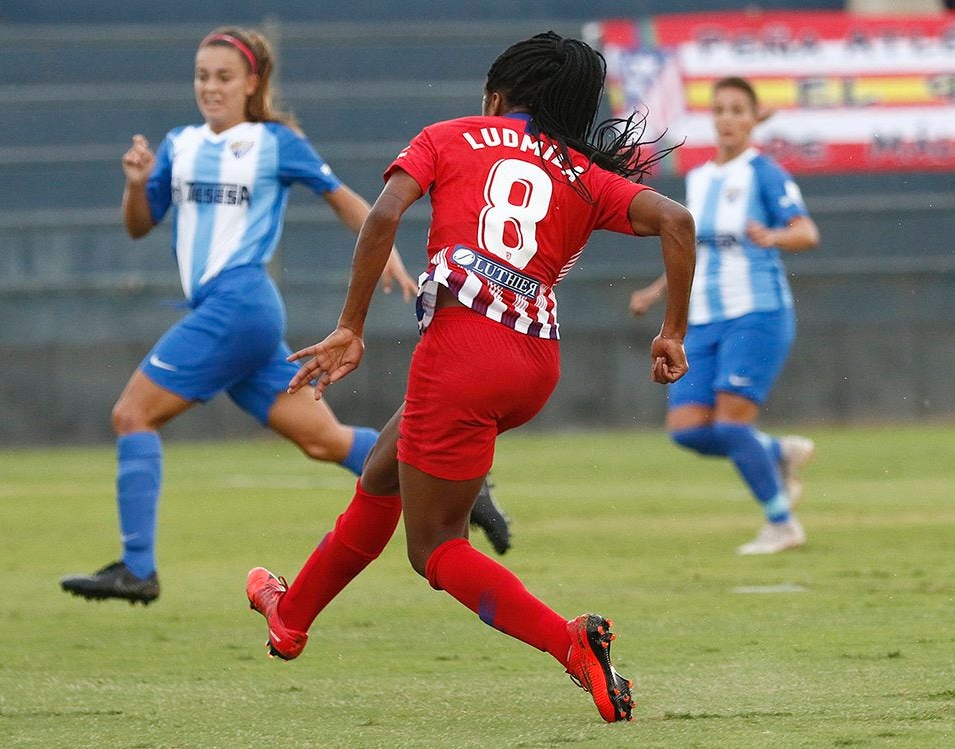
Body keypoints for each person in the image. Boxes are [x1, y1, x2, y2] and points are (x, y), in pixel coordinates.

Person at [245, 32, 696, 723]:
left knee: (434, 549)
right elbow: (677, 221)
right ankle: (292, 615)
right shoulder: (581, 173)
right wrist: (671, 332)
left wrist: (351, 327)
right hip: (533, 364)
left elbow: (385, 216)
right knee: (382, 473)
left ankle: (569, 644)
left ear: (497, 96)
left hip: (461, 353)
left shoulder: (451, 136)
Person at [59, 27, 509, 606]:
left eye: (224, 77)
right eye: (202, 76)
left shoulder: (274, 142)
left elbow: (343, 196)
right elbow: (140, 223)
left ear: (252, 83)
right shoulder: (179, 144)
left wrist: (388, 253)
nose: (210, 87)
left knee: (131, 415)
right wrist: (134, 184)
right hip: (232, 318)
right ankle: (465, 489)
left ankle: (137, 569)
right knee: (326, 441)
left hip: (239, 305)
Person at [628, 76, 819, 556]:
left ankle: (782, 524)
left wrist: (774, 237)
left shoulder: (764, 172)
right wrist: (656, 292)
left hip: (756, 312)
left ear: (754, 119)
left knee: (733, 426)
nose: (727, 118)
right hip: (705, 319)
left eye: (738, 109)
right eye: (720, 109)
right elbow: (694, 251)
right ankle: (777, 452)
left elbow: (807, 231)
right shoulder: (700, 178)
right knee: (688, 430)